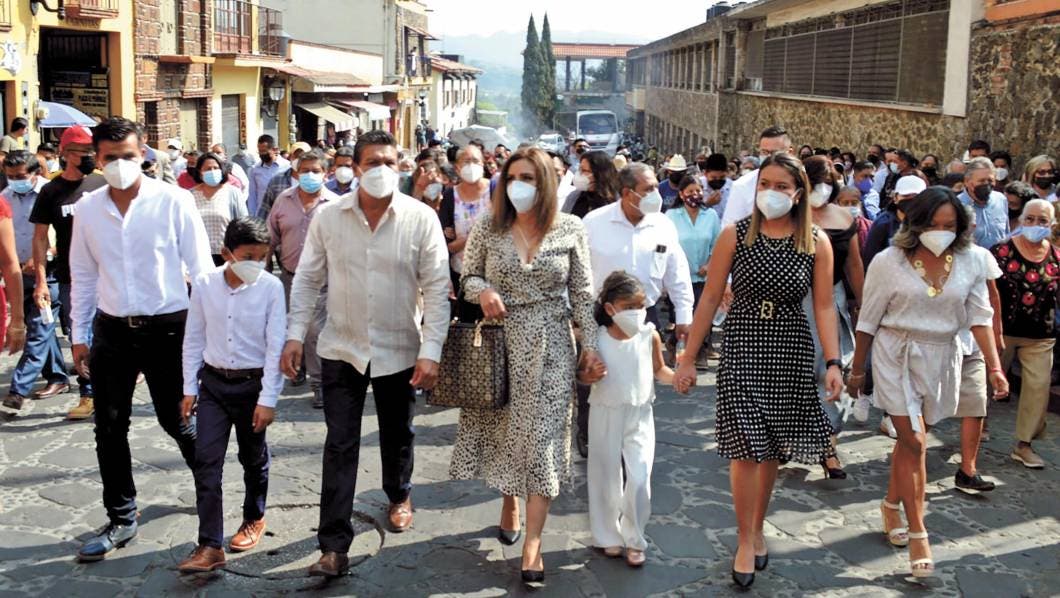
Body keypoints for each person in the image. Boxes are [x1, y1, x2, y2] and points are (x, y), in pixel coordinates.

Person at [281, 130, 449, 578]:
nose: (381, 170)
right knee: (340, 444)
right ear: (354, 168)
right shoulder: (329, 217)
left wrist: (431, 350)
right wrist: (294, 335)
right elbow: (307, 279)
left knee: (398, 433)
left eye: (389, 162)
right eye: (372, 162)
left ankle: (399, 493)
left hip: (400, 347)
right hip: (343, 346)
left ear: (401, 166)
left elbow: (436, 288)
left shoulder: (420, 218)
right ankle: (333, 546)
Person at [673, 152, 842, 588]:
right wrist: (688, 357)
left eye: (781, 186)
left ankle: (757, 525)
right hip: (744, 342)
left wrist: (833, 361)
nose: (771, 192)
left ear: (798, 193)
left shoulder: (816, 242)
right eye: (765, 184)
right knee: (745, 446)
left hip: (789, 347)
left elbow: (824, 305)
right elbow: (711, 298)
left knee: (771, 448)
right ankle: (745, 538)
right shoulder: (736, 234)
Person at [451, 146, 602, 584]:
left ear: (546, 184)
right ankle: (509, 502)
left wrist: (590, 347)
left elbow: (583, 294)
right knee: (507, 432)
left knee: (543, 442)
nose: (519, 185)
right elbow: (468, 276)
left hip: (552, 345)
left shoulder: (571, 228)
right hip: (500, 343)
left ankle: (533, 543)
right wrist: (483, 291)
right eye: (513, 177)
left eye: (529, 178)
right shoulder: (489, 226)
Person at [69, 117, 213, 561]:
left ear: (143, 152)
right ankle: (121, 516)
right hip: (112, 330)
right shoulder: (88, 209)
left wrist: (212, 333)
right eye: (110, 157)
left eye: (128, 156)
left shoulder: (173, 201)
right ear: (97, 158)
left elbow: (202, 270)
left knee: (178, 421)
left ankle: (210, 493)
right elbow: (83, 274)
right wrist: (78, 334)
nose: (120, 164)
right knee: (109, 426)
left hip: (169, 328)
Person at [847, 187, 1007, 578]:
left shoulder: (972, 260)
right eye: (933, 224)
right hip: (895, 354)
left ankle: (890, 505)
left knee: (910, 443)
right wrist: (858, 369)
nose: (940, 232)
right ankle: (920, 534)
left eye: (949, 226)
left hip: (944, 356)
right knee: (916, 441)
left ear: (961, 227)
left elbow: (980, 317)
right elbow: (868, 319)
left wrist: (994, 366)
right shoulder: (888, 261)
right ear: (915, 223)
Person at [177, 218, 286, 573]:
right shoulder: (205, 285)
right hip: (214, 386)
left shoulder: (271, 288)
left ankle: (254, 517)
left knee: (253, 458)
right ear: (227, 253)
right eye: (248, 256)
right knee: (206, 462)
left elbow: (276, 346)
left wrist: (268, 399)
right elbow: (194, 337)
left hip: (253, 386)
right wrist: (189, 388)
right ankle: (210, 544)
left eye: (262, 256)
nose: (256, 263)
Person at [586, 271, 673, 568]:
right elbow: (582, 374)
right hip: (605, 410)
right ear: (610, 309)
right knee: (604, 474)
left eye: (641, 305)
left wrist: (677, 379)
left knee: (639, 476)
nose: (637, 312)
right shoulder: (597, 339)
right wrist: (589, 374)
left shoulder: (650, 335)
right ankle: (607, 535)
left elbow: (659, 370)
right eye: (629, 307)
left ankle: (635, 538)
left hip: (640, 413)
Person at [28, 125, 105, 420]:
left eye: (90, 151)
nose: (88, 156)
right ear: (65, 153)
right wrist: (40, 280)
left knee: (110, 334)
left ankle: (112, 387)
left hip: (109, 274)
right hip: (72, 277)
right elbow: (39, 237)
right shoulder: (51, 190)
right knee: (80, 335)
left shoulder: (102, 183)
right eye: (81, 151)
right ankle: (88, 394)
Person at [803, 156, 864, 478]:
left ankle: (828, 445)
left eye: (828, 182)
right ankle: (785, 438)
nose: (822, 188)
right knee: (794, 372)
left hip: (834, 299)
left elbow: (854, 264)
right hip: (795, 303)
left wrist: (865, 305)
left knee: (837, 367)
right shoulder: (789, 217)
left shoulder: (843, 217)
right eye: (816, 182)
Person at [267, 149, 339, 408]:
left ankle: (318, 384)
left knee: (315, 331)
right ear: (296, 173)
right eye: (305, 171)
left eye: (315, 171)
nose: (309, 175)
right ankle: (296, 368)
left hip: (322, 281)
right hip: (290, 276)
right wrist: (263, 269)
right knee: (293, 326)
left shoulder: (335, 205)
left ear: (326, 173)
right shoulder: (283, 200)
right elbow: (271, 236)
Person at [0, 151, 69, 412]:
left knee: (39, 330)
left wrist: (46, 254)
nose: (15, 181)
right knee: (42, 327)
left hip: (47, 272)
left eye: (20, 176)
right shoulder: (5, 197)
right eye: (10, 176)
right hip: (19, 273)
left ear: (35, 173)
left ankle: (18, 390)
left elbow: (67, 235)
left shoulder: (52, 193)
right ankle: (58, 377)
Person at [993, 200, 1059, 469]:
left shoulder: (1056, 257)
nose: (1035, 225)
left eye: (1042, 221)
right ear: (1020, 220)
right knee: (986, 384)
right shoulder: (1001, 252)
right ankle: (975, 427)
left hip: (1041, 334)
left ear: (1052, 224)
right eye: (1030, 219)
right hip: (1002, 332)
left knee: (1038, 388)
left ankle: (1024, 444)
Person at [666, 174, 721, 366]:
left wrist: (709, 264)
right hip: (679, 276)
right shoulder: (671, 216)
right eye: (690, 191)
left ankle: (700, 351)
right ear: (681, 194)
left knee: (702, 314)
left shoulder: (710, 215)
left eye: (698, 191)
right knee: (682, 315)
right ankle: (674, 343)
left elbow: (717, 244)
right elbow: (667, 245)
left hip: (704, 276)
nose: (695, 195)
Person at [439, 144, 492, 321]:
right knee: (466, 326)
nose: (471, 165)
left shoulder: (495, 191)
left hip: (493, 276)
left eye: (475, 161)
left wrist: (462, 239)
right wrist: (477, 234)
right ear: (457, 168)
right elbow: (447, 244)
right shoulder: (450, 196)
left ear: (483, 164)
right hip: (460, 275)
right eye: (466, 161)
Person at [721, 126, 794, 225]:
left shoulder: (801, 181)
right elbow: (729, 226)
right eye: (764, 152)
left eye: (774, 153)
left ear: (790, 152)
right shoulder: (742, 186)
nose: (769, 157)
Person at [190, 153, 248, 266]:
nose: (212, 171)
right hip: (199, 256)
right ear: (200, 172)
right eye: (208, 169)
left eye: (216, 168)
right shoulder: (190, 195)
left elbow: (243, 224)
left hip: (227, 255)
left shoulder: (232, 193)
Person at [959, 157, 1009, 249]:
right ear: (967, 181)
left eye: (990, 180)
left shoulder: (1001, 200)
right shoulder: (957, 205)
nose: (986, 184)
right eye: (981, 181)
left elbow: (1006, 234)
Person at [256, 143, 311, 219]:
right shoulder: (277, 181)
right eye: (296, 156)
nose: (299, 159)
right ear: (290, 157)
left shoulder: (316, 181)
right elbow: (265, 210)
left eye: (303, 156)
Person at [561, 149, 619, 217]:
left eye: (584, 170)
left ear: (600, 174)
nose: (579, 174)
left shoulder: (618, 199)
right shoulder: (574, 196)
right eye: (579, 169)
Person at [247, 135, 290, 217]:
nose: (261, 154)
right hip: (262, 215)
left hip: (283, 214)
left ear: (275, 150)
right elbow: (252, 195)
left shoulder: (287, 167)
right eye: (259, 151)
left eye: (264, 151)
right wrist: (252, 216)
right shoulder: (255, 170)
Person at [835, 186, 872, 252]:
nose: (850, 206)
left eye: (854, 203)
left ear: (860, 204)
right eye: (845, 203)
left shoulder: (870, 226)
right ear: (838, 204)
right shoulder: (832, 229)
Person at [699, 153, 731, 219]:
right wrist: (707, 204)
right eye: (713, 178)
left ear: (727, 173)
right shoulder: (697, 186)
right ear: (705, 174)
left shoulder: (732, 187)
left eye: (722, 177)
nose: (718, 180)